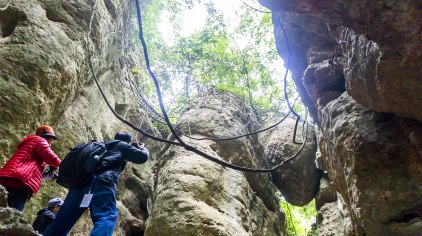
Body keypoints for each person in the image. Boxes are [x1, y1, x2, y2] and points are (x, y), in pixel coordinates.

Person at [43, 131, 149, 236]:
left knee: (64, 218)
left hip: (80, 182)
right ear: (127, 141)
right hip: (101, 183)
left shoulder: (102, 144)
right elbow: (142, 157)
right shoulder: (122, 145)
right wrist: (143, 148)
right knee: (107, 216)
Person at [0, 125, 61, 211]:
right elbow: (53, 159)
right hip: (20, 182)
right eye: (52, 139)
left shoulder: (30, 144)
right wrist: (59, 165)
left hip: (9, 178)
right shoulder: (39, 140)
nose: (52, 142)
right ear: (47, 136)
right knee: (12, 214)